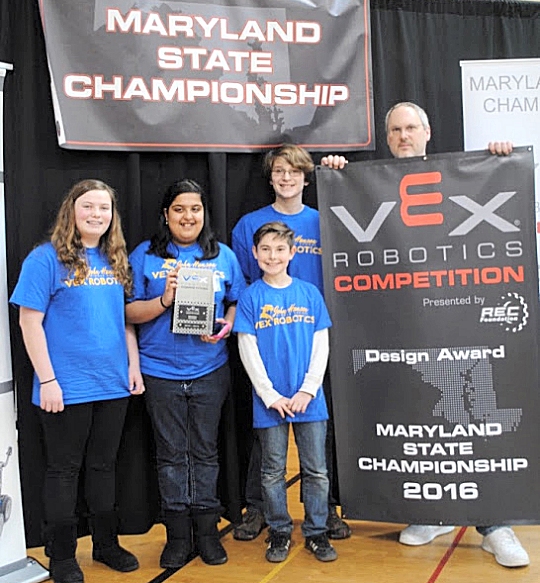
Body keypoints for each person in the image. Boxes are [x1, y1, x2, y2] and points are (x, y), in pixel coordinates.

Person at [325, 101, 527, 569]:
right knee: (417, 410)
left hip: (460, 321)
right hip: (401, 324)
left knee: (473, 419)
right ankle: (432, 513)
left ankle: (495, 525)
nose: (402, 135)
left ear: (428, 130)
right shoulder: (367, 185)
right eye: (394, 129)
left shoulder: (458, 175)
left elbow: (497, 194)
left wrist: (500, 158)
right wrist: (336, 173)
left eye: (411, 127)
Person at [10, 179, 142, 583]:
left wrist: (132, 367)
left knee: (104, 466)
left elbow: (122, 322)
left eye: (104, 208)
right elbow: (28, 322)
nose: (96, 214)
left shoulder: (114, 257)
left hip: (113, 384)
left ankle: (105, 544)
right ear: (72, 210)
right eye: (88, 207)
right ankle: (63, 555)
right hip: (64, 387)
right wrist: (47, 380)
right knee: (63, 470)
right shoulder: (45, 259)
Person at [231, 144, 351, 542]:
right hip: (266, 337)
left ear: (306, 177)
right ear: (270, 177)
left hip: (314, 335)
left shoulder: (322, 220)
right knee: (266, 439)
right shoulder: (250, 224)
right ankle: (259, 509)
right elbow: (241, 281)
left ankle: (326, 509)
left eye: (294, 171)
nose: (286, 178)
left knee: (319, 432)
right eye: (279, 171)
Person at [125, 178, 246, 569]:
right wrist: (165, 299)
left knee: (206, 454)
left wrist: (226, 326)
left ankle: (208, 534)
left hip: (210, 370)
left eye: (195, 208)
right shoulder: (145, 255)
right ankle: (177, 537)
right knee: (172, 456)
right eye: (179, 209)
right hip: (159, 372)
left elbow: (235, 303)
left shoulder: (222, 255)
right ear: (166, 214)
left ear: (204, 214)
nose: (187, 216)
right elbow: (126, 313)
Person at [234, 221, 337, 563]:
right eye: (265, 249)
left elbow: (321, 345)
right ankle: (279, 530)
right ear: (254, 253)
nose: (272, 255)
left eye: (280, 249)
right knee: (272, 471)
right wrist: (269, 395)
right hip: (270, 402)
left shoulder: (309, 293)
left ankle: (317, 532)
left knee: (316, 470)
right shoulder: (250, 297)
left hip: (310, 399)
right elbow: (247, 349)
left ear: (292, 253)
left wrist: (308, 389)